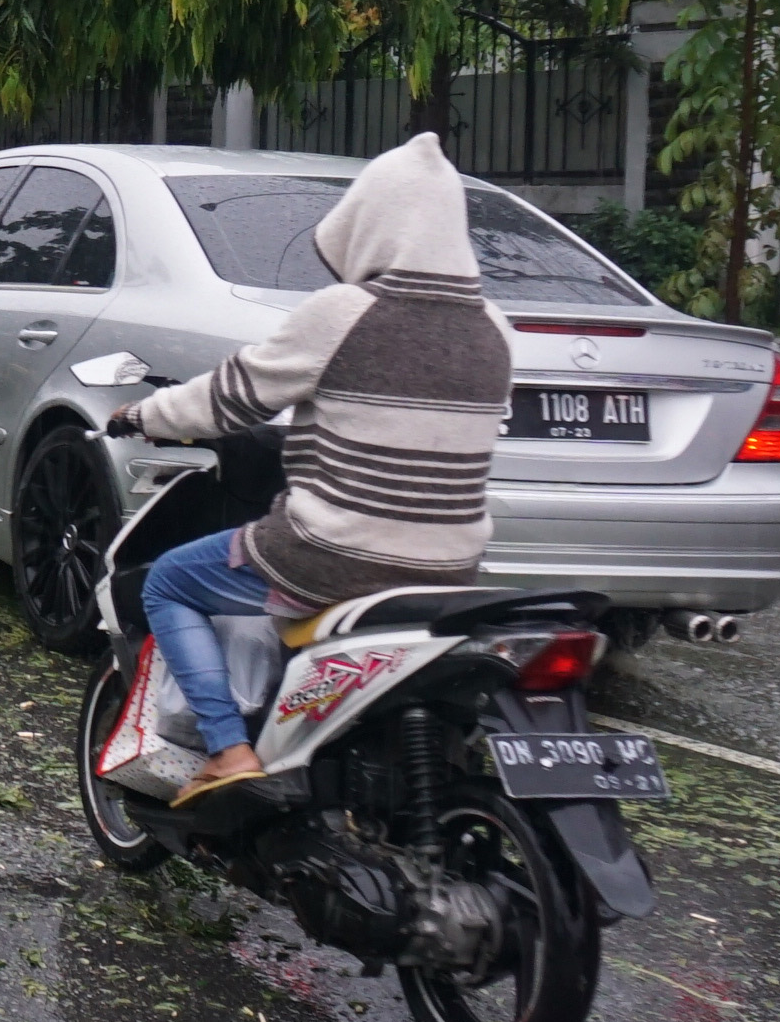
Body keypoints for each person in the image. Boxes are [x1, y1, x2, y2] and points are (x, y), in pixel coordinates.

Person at [104, 133, 509, 804]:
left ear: (372, 225)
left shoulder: (347, 312)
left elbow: (227, 398)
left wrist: (144, 416)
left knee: (169, 583)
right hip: (451, 571)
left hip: (333, 556)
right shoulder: (493, 326)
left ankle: (229, 750)